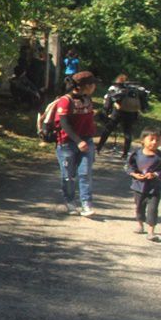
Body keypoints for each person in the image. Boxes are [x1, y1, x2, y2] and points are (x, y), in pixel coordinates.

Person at [55, 70, 99, 216]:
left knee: (85, 173)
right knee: (68, 175)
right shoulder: (65, 101)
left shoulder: (87, 99)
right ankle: (69, 202)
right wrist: (78, 141)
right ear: (84, 86)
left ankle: (86, 204)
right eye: (92, 84)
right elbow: (65, 124)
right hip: (67, 143)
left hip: (87, 141)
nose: (94, 87)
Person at [125, 127, 161, 242]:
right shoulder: (136, 154)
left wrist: (155, 174)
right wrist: (134, 174)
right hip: (138, 187)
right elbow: (128, 167)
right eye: (152, 139)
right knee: (139, 207)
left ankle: (151, 232)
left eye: (158, 140)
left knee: (153, 209)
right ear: (143, 140)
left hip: (154, 188)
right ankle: (140, 225)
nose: (155, 142)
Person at [98, 74, 151, 159]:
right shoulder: (135, 89)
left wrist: (106, 113)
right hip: (131, 113)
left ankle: (98, 148)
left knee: (108, 129)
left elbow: (109, 100)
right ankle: (125, 154)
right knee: (128, 132)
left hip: (118, 112)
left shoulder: (116, 87)